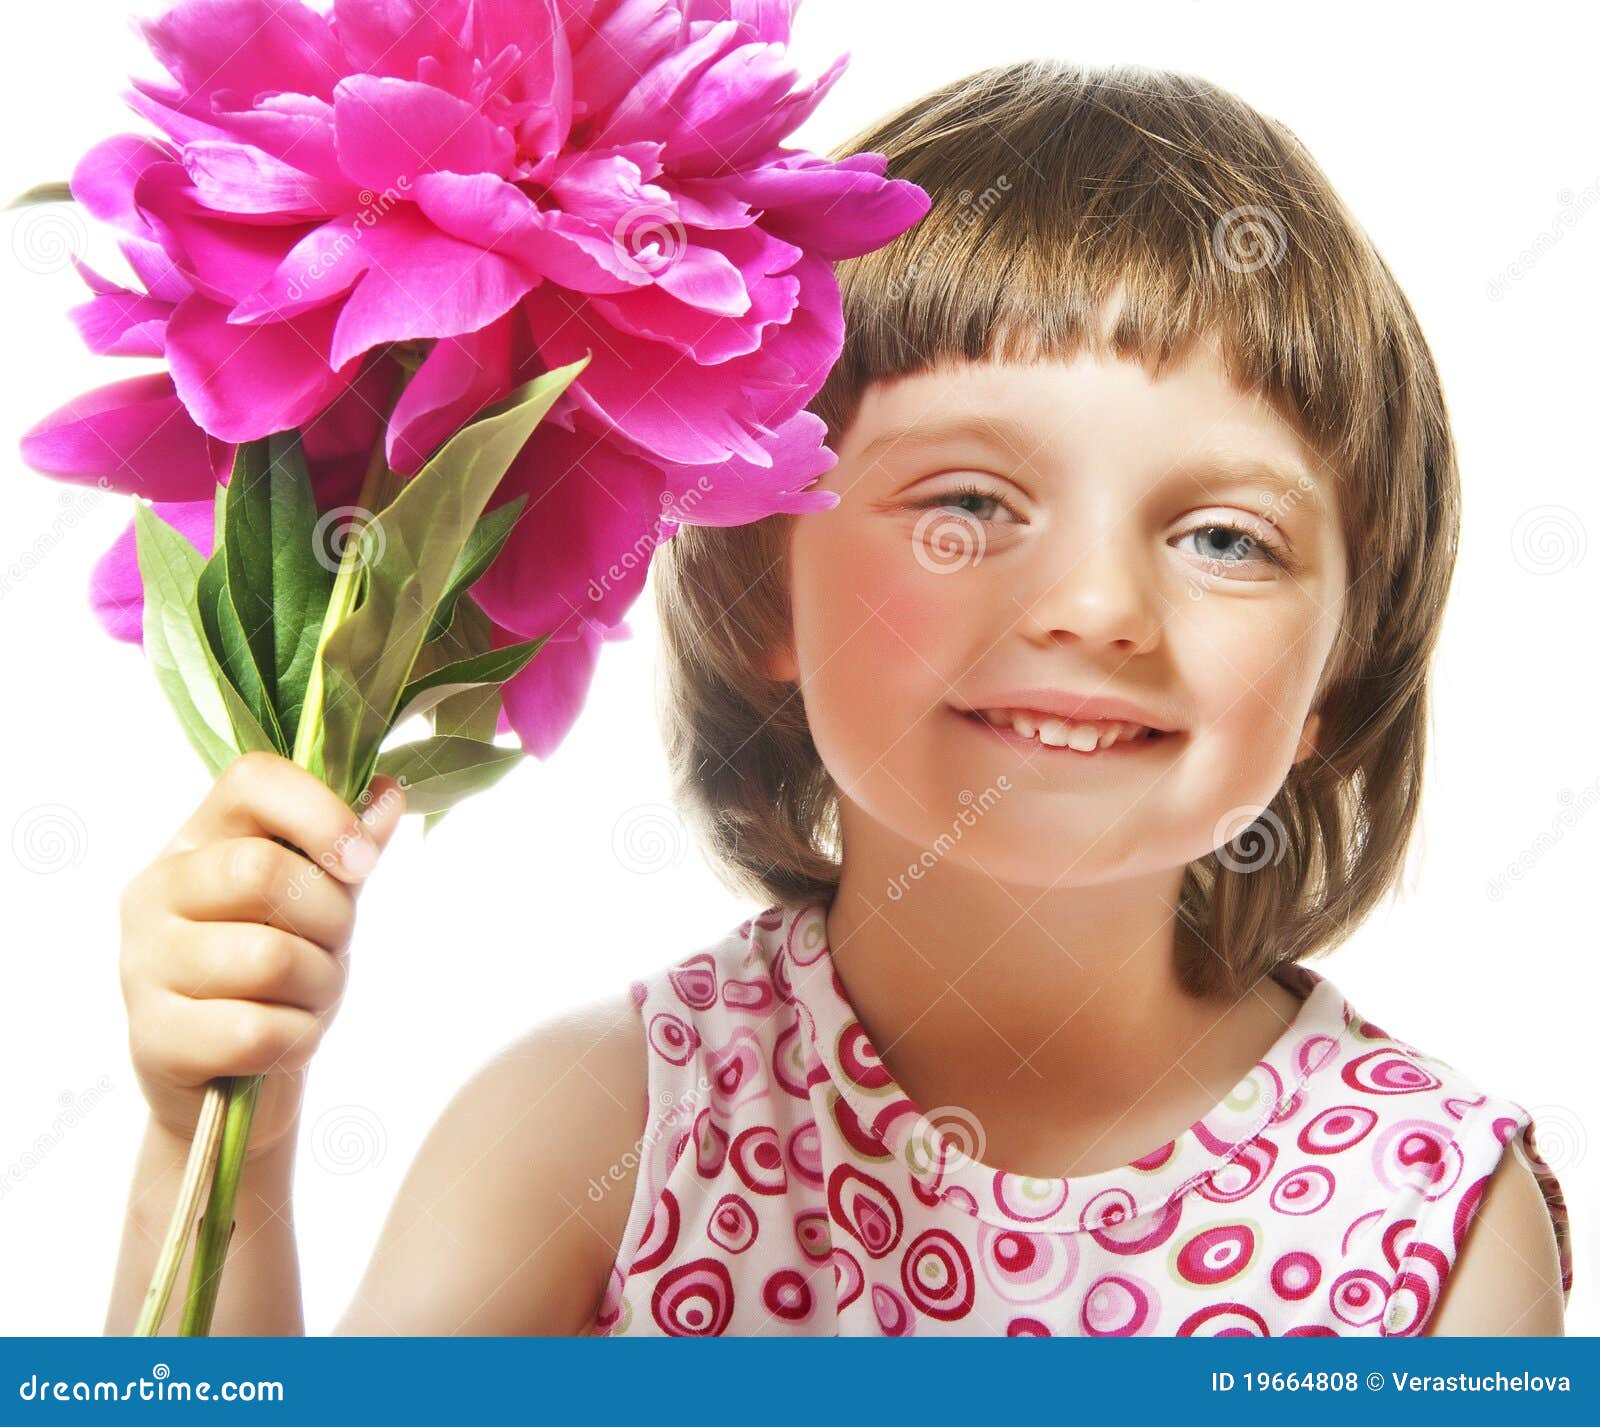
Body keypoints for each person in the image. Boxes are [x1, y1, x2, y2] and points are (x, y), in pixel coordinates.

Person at [107, 59, 1572, 1337]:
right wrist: (215, 1134)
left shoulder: (1430, 1229)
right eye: (970, 502)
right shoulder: (604, 1135)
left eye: (1225, 540)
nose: (1099, 608)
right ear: (764, 596)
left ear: (1339, 679)